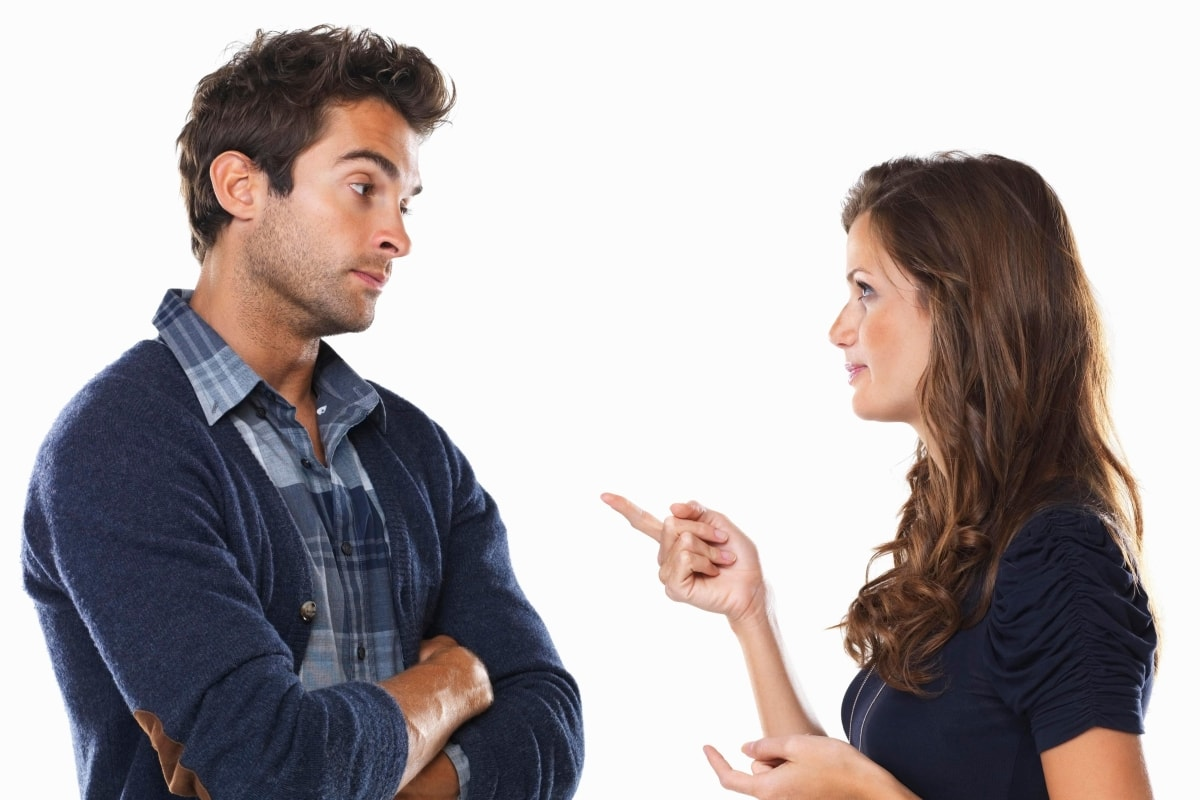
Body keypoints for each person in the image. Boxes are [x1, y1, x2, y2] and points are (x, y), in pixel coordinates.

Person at [22, 25, 583, 800]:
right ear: (241, 186)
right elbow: (271, 771)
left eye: (404, 203)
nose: (397, 236)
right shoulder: (118, 446)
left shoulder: (418, 451)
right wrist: (452, 682)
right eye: (363, 187)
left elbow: (550, 728)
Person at [603, 152, 1157, 799]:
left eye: (865, 291)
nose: (839, 329)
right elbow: (828, 788)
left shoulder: (1059, 556)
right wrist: (751, 611)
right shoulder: (973, 539)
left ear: (962, 306)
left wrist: (871, 794)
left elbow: (859, 792)